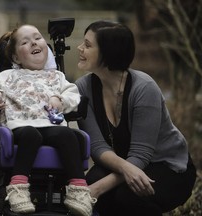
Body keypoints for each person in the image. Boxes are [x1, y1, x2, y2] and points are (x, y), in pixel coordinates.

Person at [75, 20, 197, 216]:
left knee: (125, 196)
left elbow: (141, 154)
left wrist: (97, 190)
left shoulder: (144, 88)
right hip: (124, 163)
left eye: (88, 45)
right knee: (93, 180)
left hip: (167, 167)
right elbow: (97, 147)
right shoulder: (83, 88)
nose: (80, 48)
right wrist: (123, 170)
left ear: (108, 53)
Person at [0, 24, 96, 215]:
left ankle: (78, 190)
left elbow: (74, 96)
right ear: (16, 57)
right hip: (19, 126)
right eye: (25, 42)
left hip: (50, 124)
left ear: (46, 49)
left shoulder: (57, 77)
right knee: (31, 135)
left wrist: (60, 99)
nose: (33, 42)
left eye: (37, 38)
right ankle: (18, 188)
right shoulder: (8, 76)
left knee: (67, 134)